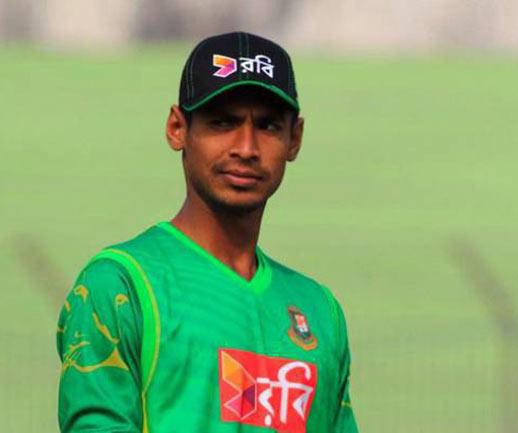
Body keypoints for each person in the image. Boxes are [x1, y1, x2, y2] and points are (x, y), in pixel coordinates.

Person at [56, 31, 359, 433]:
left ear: (295, 139)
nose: (246, 148)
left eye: (268, 125)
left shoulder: (319, 310)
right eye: (223, 122)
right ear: (177, 128)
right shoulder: (119, 284)